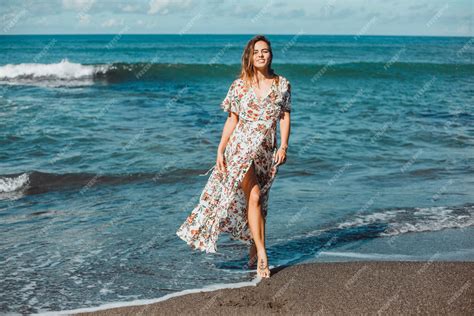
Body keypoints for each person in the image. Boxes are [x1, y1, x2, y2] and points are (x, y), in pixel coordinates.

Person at [176, 34, 292, 278]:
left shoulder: (283, 84)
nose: (261, 55)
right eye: (257, 51)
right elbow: (232, 119)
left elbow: (284, 116)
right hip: (240, 149)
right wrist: (220, 149)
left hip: (265, 151)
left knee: (260, 202)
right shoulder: (239, 85)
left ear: (271, 55)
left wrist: (283, 146)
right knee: (255, 195)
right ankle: (263, 255)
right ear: (249, 56)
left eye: (265, 51)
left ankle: (253, 245)